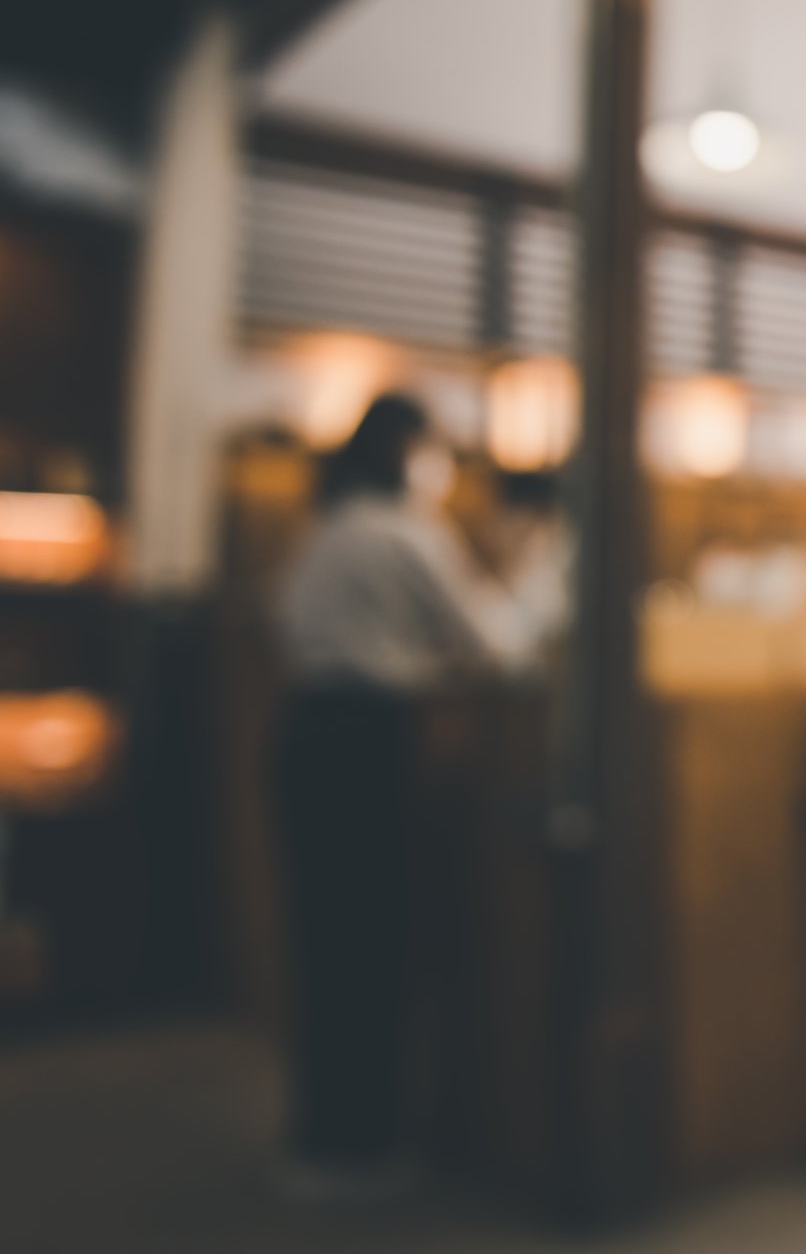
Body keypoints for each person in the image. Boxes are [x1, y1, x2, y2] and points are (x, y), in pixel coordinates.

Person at [271, 393, 560, 1194]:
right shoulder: (406, 532)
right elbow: (498, 643)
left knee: (326, 942)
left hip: (304, 734)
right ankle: (362, 1149)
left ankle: (326, 1137)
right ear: (408, 450)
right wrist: (536, 567)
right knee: (373, 939)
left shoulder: (327, 525)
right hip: (369, 745)